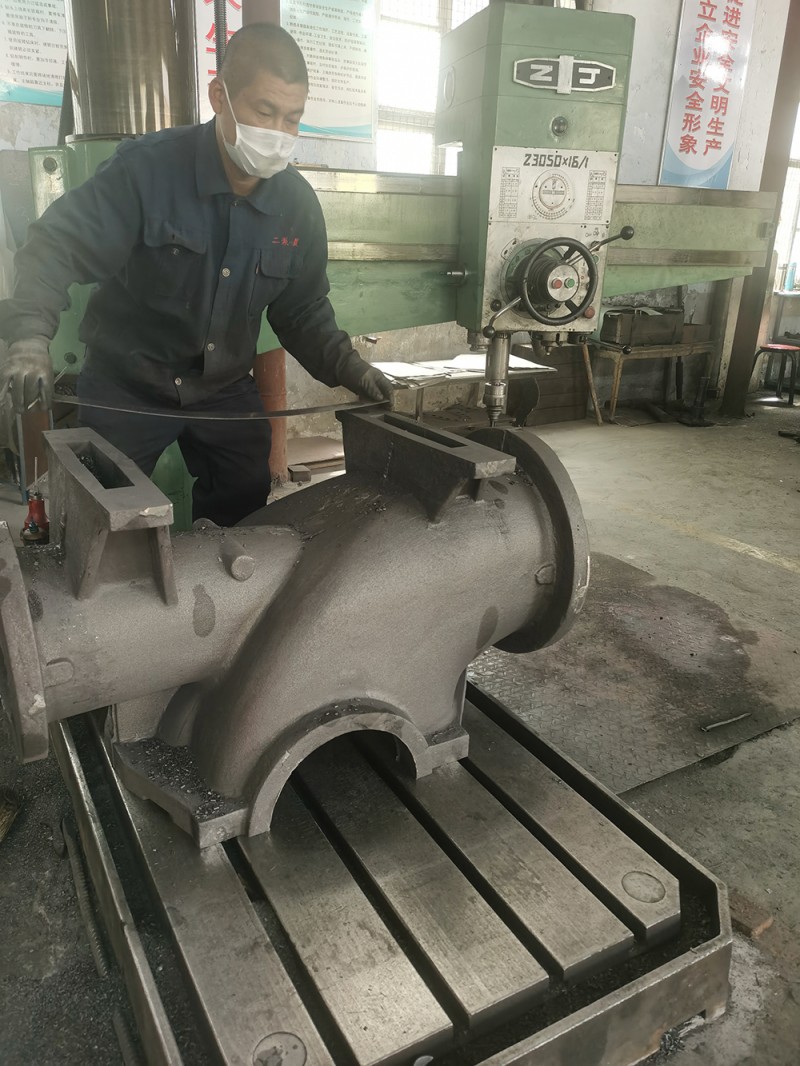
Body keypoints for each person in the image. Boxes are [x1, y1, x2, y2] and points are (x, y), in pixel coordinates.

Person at [0, 23, 392, 526]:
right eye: (264, 112)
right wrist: (30, 336)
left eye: (292, 119)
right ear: (219, 96)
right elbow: (58, 246)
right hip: (128, 383)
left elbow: (303, 311)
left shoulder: (296, 206)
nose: (278, 133)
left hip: (222, 388)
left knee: (245, 504)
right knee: (101, 516)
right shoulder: (147, 171)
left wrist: (350, 368)